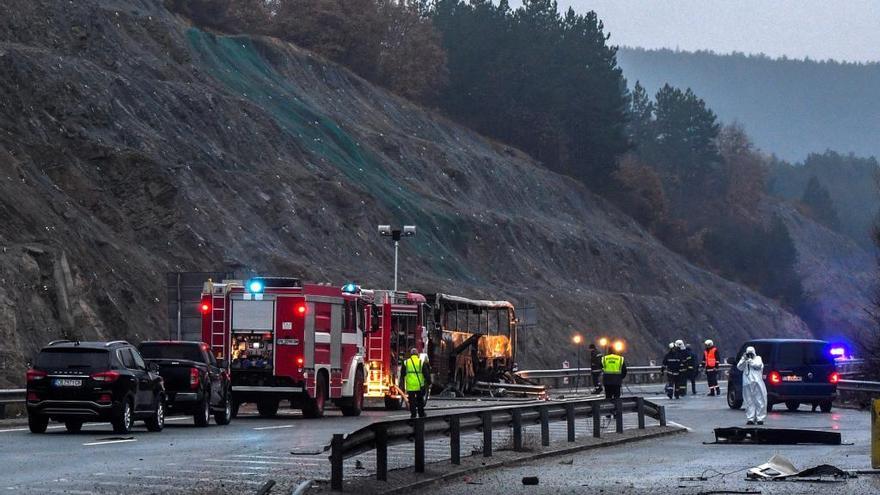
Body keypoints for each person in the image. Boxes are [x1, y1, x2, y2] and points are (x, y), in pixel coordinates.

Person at [737, 346, 767, 425]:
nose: (750, 355)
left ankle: (760, 418)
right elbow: (739, 367)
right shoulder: (745, 360)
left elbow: (758, 365)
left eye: (751, 353)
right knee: (748, 401)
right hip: (747, 383)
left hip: (757, 383)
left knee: (759, 400)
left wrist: (749, 360)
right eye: (748, 353)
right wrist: (743, 359)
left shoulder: (758, 358)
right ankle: (750, 418)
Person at [400, 347, 430, 419]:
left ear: (411, 355)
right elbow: (426, 374)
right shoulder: (421, 362)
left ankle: (413, 414)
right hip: (419, 385)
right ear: (417, 354)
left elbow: (402, 374)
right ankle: (421, 413)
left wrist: (402, 384)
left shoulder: (406, 362)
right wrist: (429, 382)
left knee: (412, 401)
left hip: (410, 385)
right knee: (420, 400)